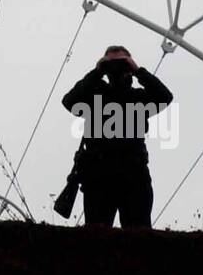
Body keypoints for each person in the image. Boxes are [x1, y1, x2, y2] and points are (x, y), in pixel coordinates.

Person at [60, 45, 173, 229]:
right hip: (99, 175)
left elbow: (164, 96)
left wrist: (137, 70)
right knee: (97, 236)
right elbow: (69, 101)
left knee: (139, 233)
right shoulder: (96, 95)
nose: (116, 68)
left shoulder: (137, 98)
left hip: (133, 175)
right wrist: (96, 72)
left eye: (121, 63)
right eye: (111, 64)